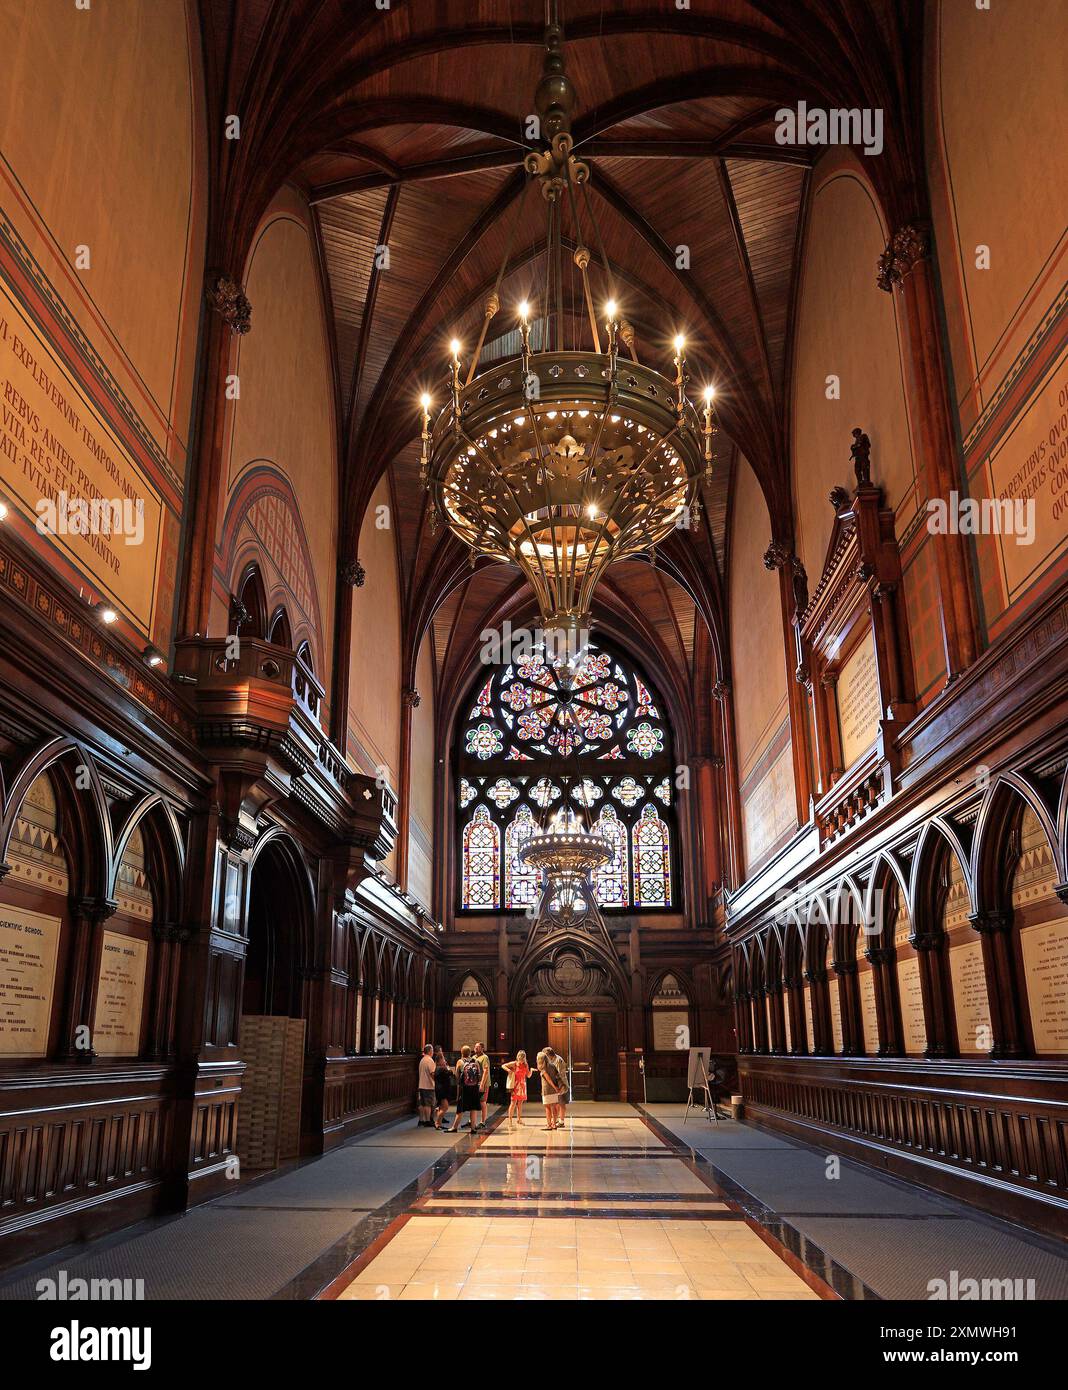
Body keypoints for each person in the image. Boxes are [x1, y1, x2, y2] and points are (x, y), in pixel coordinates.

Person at [450, 1044, 482, 1134]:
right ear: (470, 1052)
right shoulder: (475, 1061)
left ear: (461, 1053)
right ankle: (473, 1128)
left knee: (460, 1108)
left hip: (464, 1088)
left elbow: (457, 1076)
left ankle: (454, 1127)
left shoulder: (460, 1062)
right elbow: (479, 1075)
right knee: (473, 1108)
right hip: (474, 1088)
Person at [537, 1047, 562, 1131]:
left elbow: (548, 1079)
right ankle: (554, 1124)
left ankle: (549, 1125)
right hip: (554, 1090)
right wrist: (557, 1087)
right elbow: (557, 1076)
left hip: (547, 1090)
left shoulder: (542, 1068)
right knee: (554, 1107)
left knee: (547, 1108)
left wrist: (554, 1087)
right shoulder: (552, 1065)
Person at [502, 1050, 530, 1127]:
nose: (521, 1060)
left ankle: (519, 1119)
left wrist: (531, 1071)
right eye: (520, 1059)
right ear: (518, 1057)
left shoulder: (525, 1064)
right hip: (515, 1086)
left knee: (520, 1103)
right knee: (513, 1103)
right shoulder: (514, 1063)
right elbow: (503, 1065)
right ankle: (510, 1120)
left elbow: (528, 1075)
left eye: (522, 1059)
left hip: (522, 1086)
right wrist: (508, 1070)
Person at [545, 1044, 568, 1130]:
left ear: (548, 1055)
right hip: (558, 1084)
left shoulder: (558, 1060)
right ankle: (558, 1120)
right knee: (558, 1103)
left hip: (561, 1083)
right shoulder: (553, 1059)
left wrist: (560, 1086)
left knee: (561, 1103)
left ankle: (561, 1121)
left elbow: (559, 1074)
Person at [433, 1046, 453, 1132]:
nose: (444, 1060)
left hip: (440, 1089)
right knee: (445, 1107)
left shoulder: (438, 1068)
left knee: (441, 1107)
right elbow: (450, 1073)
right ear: (440, 1060)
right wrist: (447, 1066)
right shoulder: (441, 1069)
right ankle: (437, 1123)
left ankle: (439, 1124)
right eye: (443, 1059)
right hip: (442, 1090)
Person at [416, 1043, 436, 1127]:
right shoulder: (430, 1060)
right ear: (430, 1051)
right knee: (428, 1104)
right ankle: (428, 1120)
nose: (433, 1052)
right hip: (428, 1085)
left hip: (421, 1085)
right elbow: (432, 1073)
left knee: (422, 1104)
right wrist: (436, 1081)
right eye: (432, 1050)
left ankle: (421, 1120)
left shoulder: (422, 1060)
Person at [474, 1041, 491, 1129]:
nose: (476, 1048)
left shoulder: (485, 1057)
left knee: (482, 1101)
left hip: (483, 1083)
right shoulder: (473, 1057)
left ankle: (483, 1121)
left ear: (482, 1048)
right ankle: (471, 1121)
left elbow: (485, 1071)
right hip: (474, 1083)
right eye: (475, 1047)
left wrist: (482, 1084)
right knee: (474, 1102)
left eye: (478, 1047)